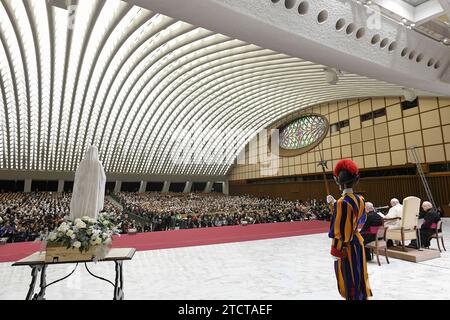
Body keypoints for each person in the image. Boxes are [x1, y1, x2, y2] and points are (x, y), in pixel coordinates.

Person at [327, 159, 372, 300]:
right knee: (359, 276)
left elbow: (341, 232)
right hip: (358, 241)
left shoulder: (343, 203)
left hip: (347, 246)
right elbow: (359, 219)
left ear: (338, 182)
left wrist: (336, 249)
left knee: (349, 279)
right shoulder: (360, 199)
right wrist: (334, 204)